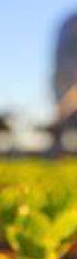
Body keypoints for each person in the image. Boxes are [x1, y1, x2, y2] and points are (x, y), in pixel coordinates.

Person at [45, 12, 77, 156]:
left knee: (62, 112)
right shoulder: (70, 21)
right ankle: (55, 150)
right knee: (61, 112)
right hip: (65, 70)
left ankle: (55, 150)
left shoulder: (68, 20)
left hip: (63, 70)